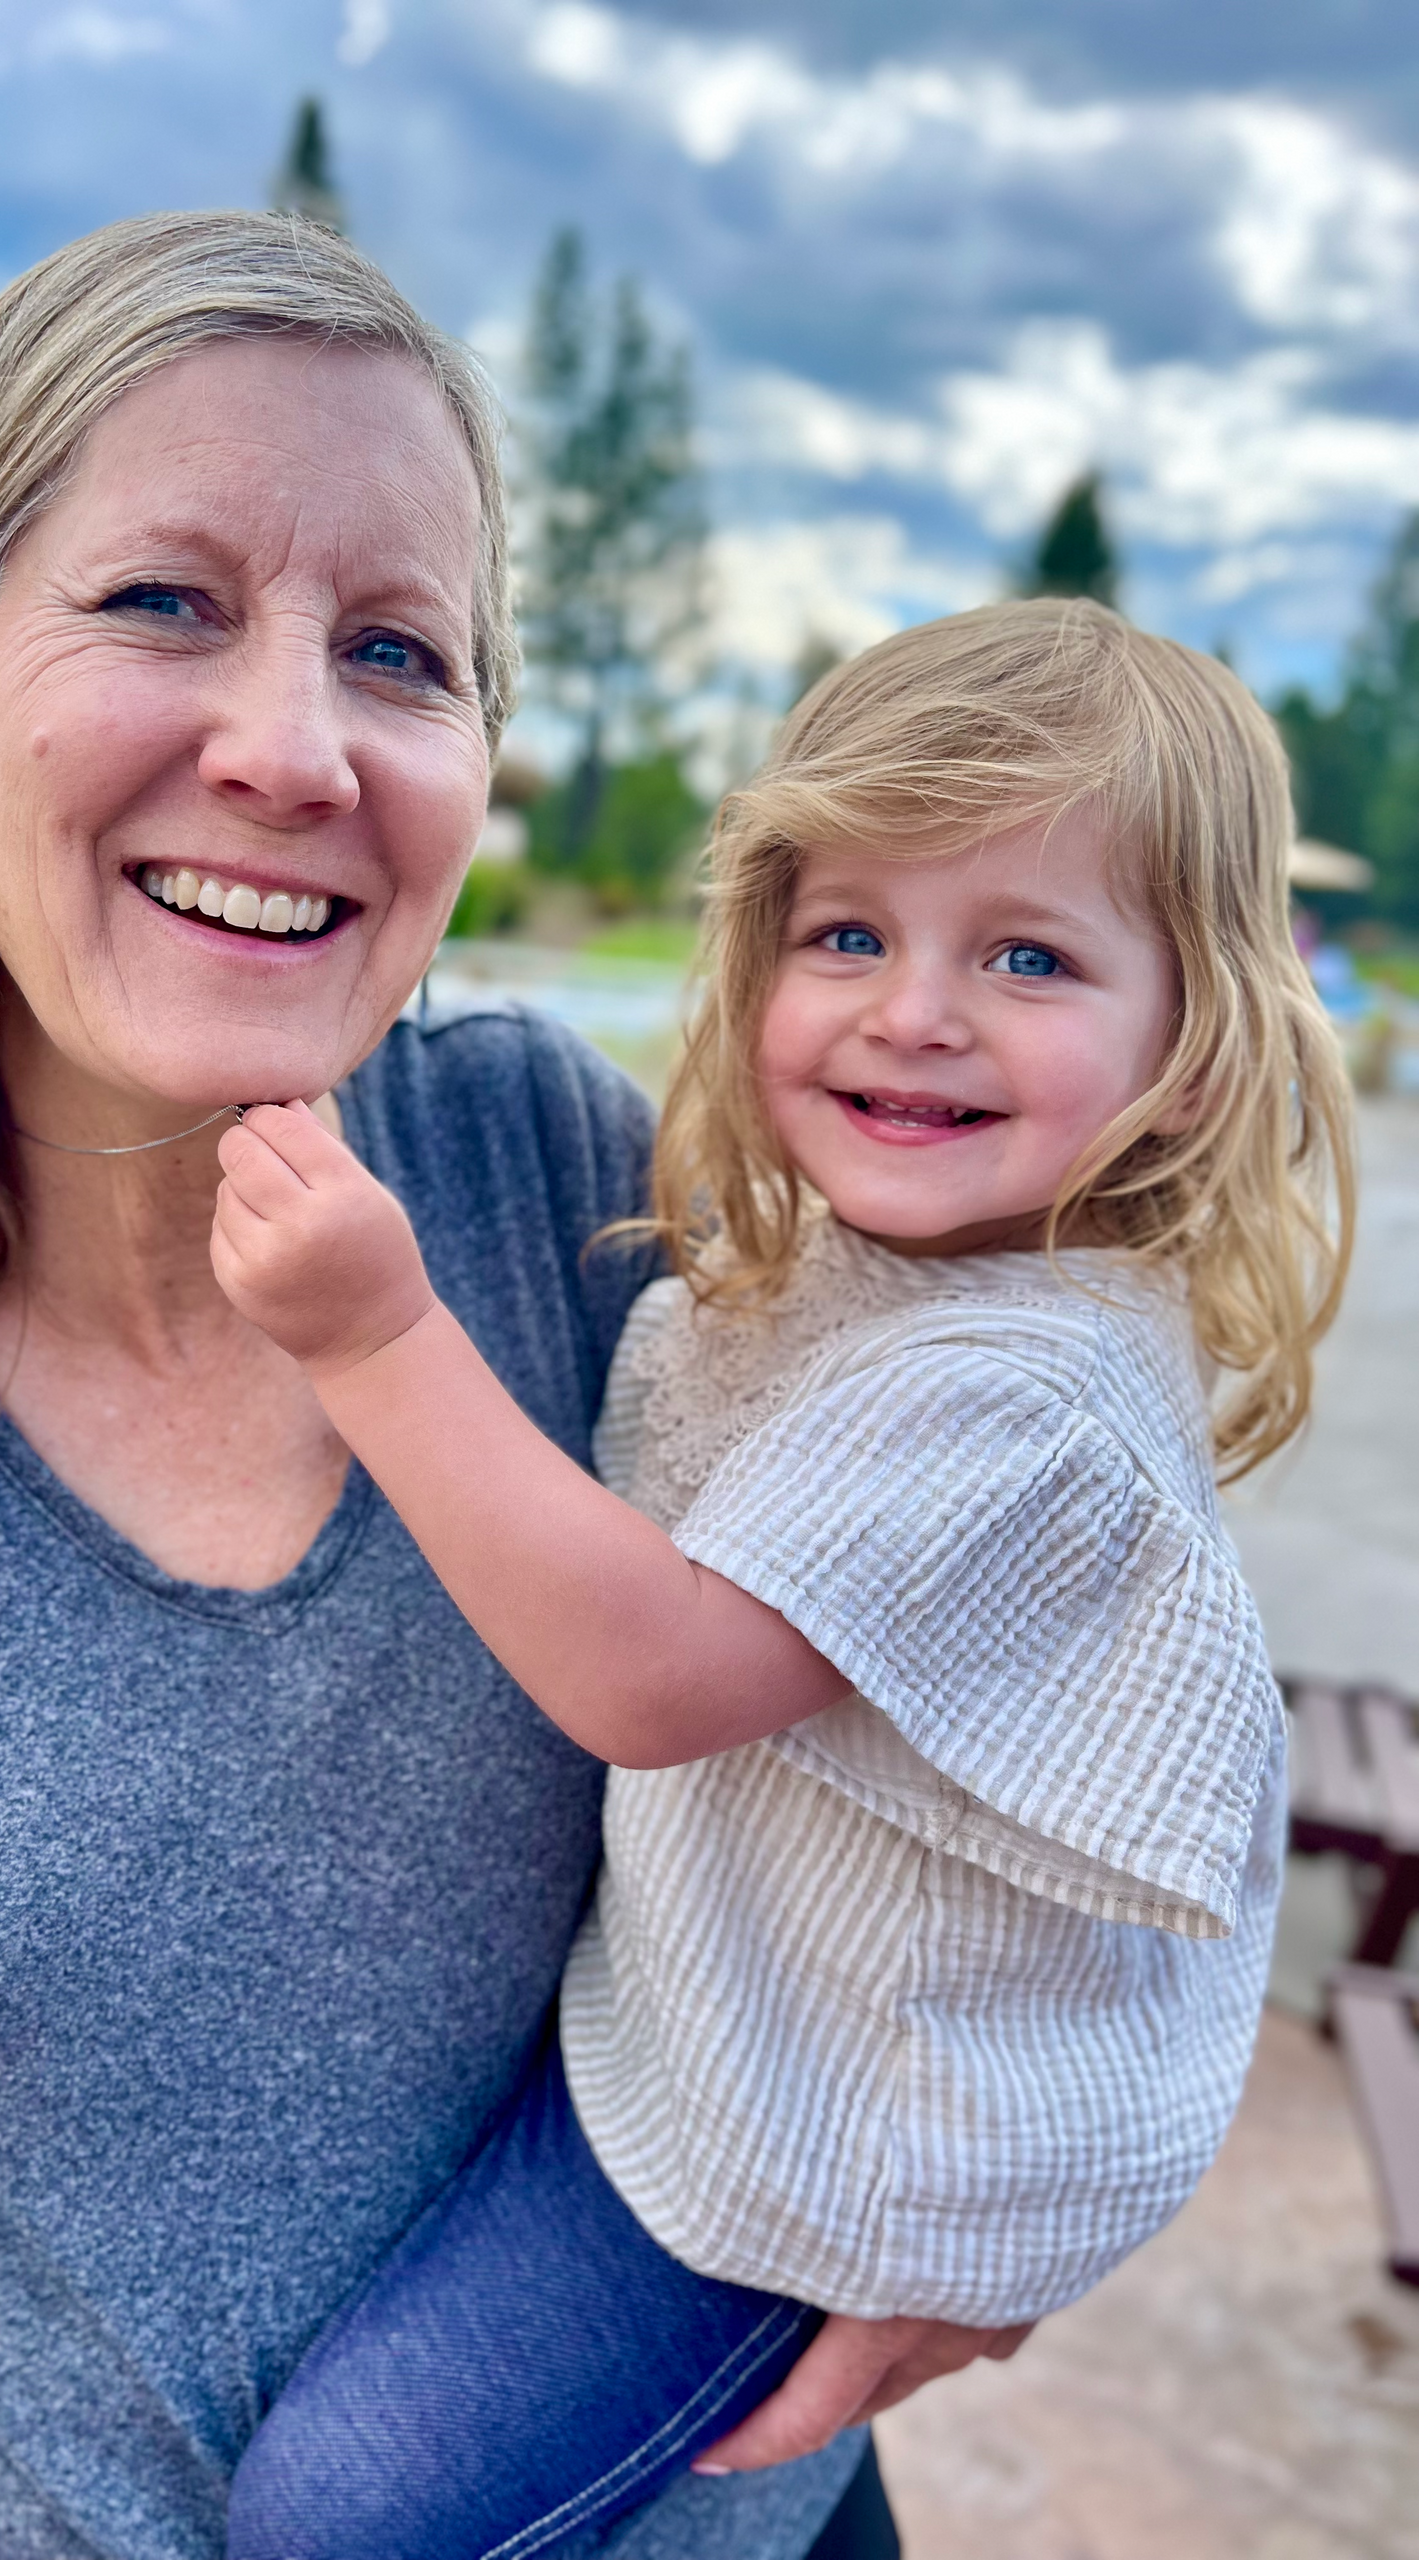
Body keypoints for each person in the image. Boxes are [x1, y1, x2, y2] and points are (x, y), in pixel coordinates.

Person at [0, 211, 998, 2560]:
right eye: (163, 600)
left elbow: (1025, 1654)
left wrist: (1040, 2194)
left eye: (399, 651)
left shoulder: (577, 1188)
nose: (294, 749)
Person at [211, 598, 1356, 2560]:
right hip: (737, 2022)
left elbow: (653, 1670)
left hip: (820, 2139)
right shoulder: (908, 1270)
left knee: (342, 2513)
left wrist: (372, 1333)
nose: (915, 1006)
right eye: (851, 933)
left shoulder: (1017, 1383)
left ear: (1192, 1053)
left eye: (1028, 952)